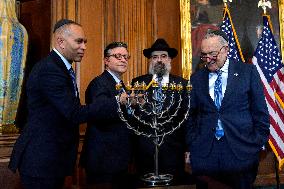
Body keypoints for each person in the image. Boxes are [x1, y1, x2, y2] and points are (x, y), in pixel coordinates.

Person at [8, 19, 113, 189]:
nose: (84, 47)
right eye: (79, 41)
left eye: (85, 42)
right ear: (61, 42)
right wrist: (115, 102)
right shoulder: (50, 69)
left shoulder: (60, 68)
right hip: (41, 161)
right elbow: (74, 113)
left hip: (52, 160)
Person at [186, 30, 270, 189]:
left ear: (226, 49)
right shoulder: (196, 78)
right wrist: (194, 144)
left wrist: (254, 145)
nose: (208, 60)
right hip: (205, 157)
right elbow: (191, 116)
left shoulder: (248, 72)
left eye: (212, 54)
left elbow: (261, 115)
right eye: (204, 55)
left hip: (241, 155)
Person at [131, 38, 190, 185]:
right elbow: (133, 116)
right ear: (150, 60)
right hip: (145, 149)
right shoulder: (138, 83)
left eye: (163, 56)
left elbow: (187, 118)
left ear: (169, 59)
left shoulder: (182, 84)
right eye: (155, 57)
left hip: (173, 150)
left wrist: (188, 148)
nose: (159, 60)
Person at [79, 42, 134, 189]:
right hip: (103, 159)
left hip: (119, 158)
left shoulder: (121, 85)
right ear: (106, 60)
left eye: (125, 56)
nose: (123, 60)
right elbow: (99, 111)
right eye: (118, 56)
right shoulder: (99, 83)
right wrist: (119, 100)